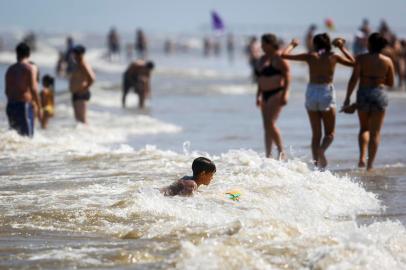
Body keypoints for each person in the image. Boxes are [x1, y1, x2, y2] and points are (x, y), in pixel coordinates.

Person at [282, 34, 355, 169]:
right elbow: (354, 63)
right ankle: (321, 150)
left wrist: (293, 44)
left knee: (316, 134)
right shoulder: (334, 57)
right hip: (326, 92)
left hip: (311, 92)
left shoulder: (310, 56)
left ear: (315, 44)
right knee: (330, 134)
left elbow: (284, 55)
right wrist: (342, 47)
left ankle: (316, 166)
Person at [342, 33, 395, 171]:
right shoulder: (387, 61)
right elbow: (391, 82)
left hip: (364, 93)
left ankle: (361, 158)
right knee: (375, 132)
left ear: (369, 44)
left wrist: (348, 98)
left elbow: (354, 79)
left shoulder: (361, 59)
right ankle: (370, 165)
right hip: (379, 94)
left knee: (364, 128)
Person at [255, 33, 290, 159]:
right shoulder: (262, 59)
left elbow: (287, 76)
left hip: (276, 93)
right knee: (266, 126)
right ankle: (268, 155)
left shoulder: (279, 58)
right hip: (264, 94)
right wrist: (258, 95)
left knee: (271, 123)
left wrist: (286, 93)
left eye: (264, 44)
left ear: (270, 44)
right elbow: (260, 78)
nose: (262, 46)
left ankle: (281, 152)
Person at [5, 42, 42, 137]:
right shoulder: (29, 69)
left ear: (16, 54)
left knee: (15, 136)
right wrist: (39, 107)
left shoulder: (10, 69)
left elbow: (7, 91)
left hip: (10, 106)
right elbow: (33, 89)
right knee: (27, 137)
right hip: (23, 106)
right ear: (29, 54)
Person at [69, 45, 95, 124]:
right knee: (78, 120)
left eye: (76, 54)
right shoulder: (78, 64)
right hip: (76, 93)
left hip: (81, 94)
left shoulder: (83, 64)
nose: (74, 56)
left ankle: (87, 135)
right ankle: (80, 136)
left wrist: (84, 88)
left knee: (83, 120)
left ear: (81, 54)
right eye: (74, 53)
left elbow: (92, 78)